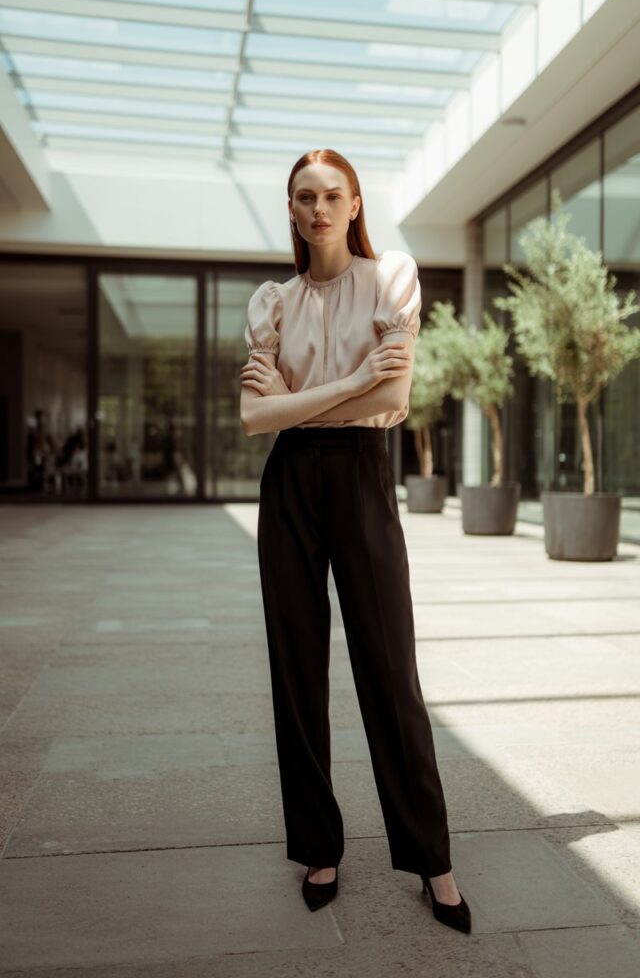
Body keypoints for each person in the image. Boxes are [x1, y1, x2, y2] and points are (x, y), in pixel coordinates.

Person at [239, 149, 471, 935]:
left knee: (388, 667)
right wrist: (345, 386)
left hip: (364, 479)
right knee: (296, 667)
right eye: (304, 196)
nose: (318, 208)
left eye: (332, 194)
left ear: (355, 201)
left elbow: (395, 395)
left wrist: (296, 401)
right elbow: (252, 421)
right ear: (293, 209)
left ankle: (432, 859)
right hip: (290, 487)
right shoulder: (274, 300)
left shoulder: (390, 277)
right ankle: (318, 847)